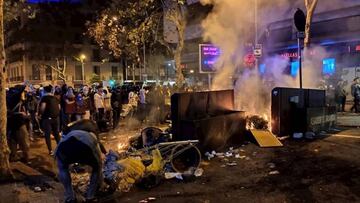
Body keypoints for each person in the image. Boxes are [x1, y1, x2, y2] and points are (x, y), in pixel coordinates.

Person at [55, 127, 106, 203]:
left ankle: (70, 198)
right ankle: (90, 197)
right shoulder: (92, 136)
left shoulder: (69, 133)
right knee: (97, 168)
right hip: (86, 146)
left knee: (62, 167)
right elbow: (99, 161)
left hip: (64, 147)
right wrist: (101, 182)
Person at [38, 85, 61, 155]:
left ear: (44, 91)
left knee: (47, 134)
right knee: (56, 133)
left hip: (47, 118)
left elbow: (43, 107)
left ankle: (50, 150)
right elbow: (59, 108)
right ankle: (60, 148)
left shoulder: (44, 98)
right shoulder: (56, 98)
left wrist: (40, 114)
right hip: (56, 118)